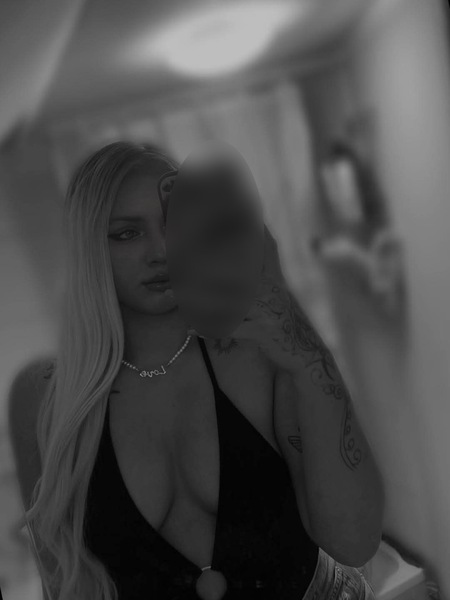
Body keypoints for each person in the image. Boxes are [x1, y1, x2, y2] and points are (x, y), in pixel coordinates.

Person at [8, 141, 383, 600]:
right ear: (88, 250)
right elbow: (64, 582)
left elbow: (353, 539)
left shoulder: (254, 352)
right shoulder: (44, 397)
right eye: (127, 233)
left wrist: (302, 343)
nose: (161, 251)